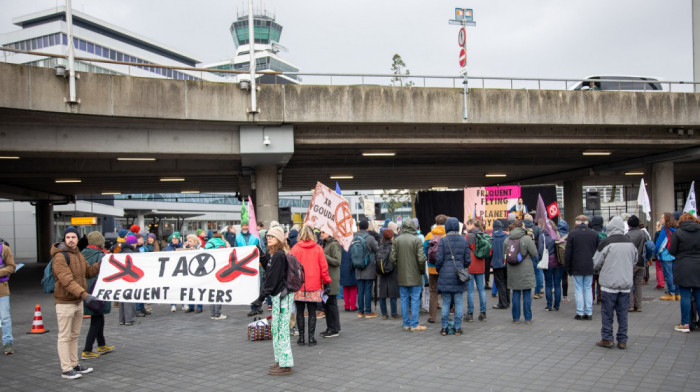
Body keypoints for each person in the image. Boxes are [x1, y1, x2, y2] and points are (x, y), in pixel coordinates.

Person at [52, 226, 102, 379]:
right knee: (64, 336)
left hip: (77, 301)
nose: (71, 240)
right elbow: (67, 280)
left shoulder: (78, 254)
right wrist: (85, 295)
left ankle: (74, 364)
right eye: (68, 237)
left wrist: (102, 263)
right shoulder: (60, 257)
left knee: (74, 335)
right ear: (64, 239)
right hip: (65, 302)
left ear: (78, 239)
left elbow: (88, 272)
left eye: (73, 237)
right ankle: (66, 369)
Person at [251, 225, 294, 375]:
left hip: (281, 297)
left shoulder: (279, 255)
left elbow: (272, 279)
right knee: (276, 330)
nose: (268, 238)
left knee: (281, 331)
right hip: (281, 297)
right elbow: (271, 272)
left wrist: (260, 298)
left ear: (279, 239)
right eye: (268, 236)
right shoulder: (278, 254)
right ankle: (280, 360)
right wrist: (263, 257)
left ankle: (286, 364)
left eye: (272, 236)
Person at [593, 216, 637, 349]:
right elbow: (635, 260)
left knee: (607, 313)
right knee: (623, 314)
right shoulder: (630, 242)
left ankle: (607, 338)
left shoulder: (606, 242)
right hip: (625, 284)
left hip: (609, 284)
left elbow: (596, 262)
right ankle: (622, 340)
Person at [290, 225, 331, 346]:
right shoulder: (318, 248)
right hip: (314, 285)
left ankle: (301, 338)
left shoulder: (295, 249)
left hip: (299, 285)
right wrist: (327, 282)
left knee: (300, 312)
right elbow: (324, 268)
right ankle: (311, 338)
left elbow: (290, 268)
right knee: (312, 312)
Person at [81, 232, 114, 359]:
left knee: (98, 317)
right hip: (97, 291)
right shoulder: (102, 256)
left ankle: (101, 344)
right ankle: (87, 349)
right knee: (96, 320)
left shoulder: (82, 254)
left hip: (86, 290)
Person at [390, 219, 428, 332]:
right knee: (415, 299)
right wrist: (421, 271)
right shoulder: (417, 240)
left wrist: (399, 266)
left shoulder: (397, 240)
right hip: (415, 274)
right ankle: (414, 324)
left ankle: (406, 323)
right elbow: (421, 259)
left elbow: (392, 258)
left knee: (404, 299)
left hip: (402, 274)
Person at [435, 217, 470, 335]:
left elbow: (438, 259)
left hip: (445, 274)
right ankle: (458, 328)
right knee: (459, 301)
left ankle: (444, 327)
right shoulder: (463, 240)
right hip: (459, 275)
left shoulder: (443, 241)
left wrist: (440, 270)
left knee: (446, 301)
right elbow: (468, 260)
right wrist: (462, 268)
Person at [669, 213, 700, 333]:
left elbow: (672, 250)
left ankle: (685, 323)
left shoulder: (679, 232)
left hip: (683, 265)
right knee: (699, 294)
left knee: (685, 296)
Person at [565, 215, 599, 320]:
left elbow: (568, 253)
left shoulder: (572, 234)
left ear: (576, 222)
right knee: (588, 288)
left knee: (578, 289)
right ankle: (589, 312)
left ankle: (580, 312)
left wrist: (568, 268)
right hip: (590, 265)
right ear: (587, 222)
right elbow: (598, 251)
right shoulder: (594, 234)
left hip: (577, 265)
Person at [505, 220, 538, 324]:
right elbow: (534, 253)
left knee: (515, 293)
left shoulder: (507, 240)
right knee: (527, 294)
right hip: (526, 270)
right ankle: (528, 318)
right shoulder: (526, 239)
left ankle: (515, 318)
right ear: (522, 227)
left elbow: (504, 256)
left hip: (512, 270)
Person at [423, 214, 447, 324]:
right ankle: (446, 315)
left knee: (433, 291)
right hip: (444, 268)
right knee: (446, 292)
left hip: (432, 268)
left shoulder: (429, 235)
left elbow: (424, 250)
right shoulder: (447, 235)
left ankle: (432, 317)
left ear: (435, 223)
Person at [354, 220, 379, 318]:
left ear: (359, 227)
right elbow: (377, 250)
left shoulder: (354, 237)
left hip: (358, 267)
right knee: (368, 289)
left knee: (360, 290)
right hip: (368, 267)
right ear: (368, 228)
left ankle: (360, 311)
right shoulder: (370, 238)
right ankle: (368, 312)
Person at [320, 229, 342, 337]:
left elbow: (337, 261)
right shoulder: (324, 244)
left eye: (323, 232)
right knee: (327, 304)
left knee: (331, 303)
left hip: (331, 278)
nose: (321, 234)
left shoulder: (334, 244)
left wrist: (324, 256)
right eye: (321, 232)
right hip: (325, 278)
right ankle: (330, 327)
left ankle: (334, 329)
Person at [539, 220, 563, 311]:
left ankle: (549, 305)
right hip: (558, 261)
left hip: (547, 261)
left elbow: (540, 250)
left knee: (548, 284)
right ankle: (557, 305)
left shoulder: (542, 236)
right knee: (557, 284)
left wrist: (541, 259)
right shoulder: (557, 235)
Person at [465, 218, 487, 322]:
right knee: (481, 290)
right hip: (481, 265)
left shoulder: (468, 236)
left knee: (470, 291)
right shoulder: (483, 235)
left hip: (470, 265)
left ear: (472, 225)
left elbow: (464, 251)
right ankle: (483, 313)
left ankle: (470, 314)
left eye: (468, 224)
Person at [377, 228, 400, 319]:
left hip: (382, 272)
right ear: (392, 237)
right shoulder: (393, 247)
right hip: (392, 272)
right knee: (392, 293)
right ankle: (394, 313)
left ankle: (384, 313)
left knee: (382, 294)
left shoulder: (380, 247)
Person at [626, 216, 647, 312]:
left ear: (628, 224)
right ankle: (639, 306)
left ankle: (630, 305)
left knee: (629, 284)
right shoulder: (643, 233)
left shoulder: (627, 235)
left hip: (631, 262)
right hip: (641, 261)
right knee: (638, 284)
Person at [657, 212, 679, 301]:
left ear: (666, 220)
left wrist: (657, 252)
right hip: (675, 255)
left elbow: (660, 245)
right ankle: (678, 293)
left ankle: (671, 293)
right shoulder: (675, 229)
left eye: (662, 218)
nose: (660, 219)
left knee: (668, 275)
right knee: (675, 274)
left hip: (666, 255)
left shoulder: (664, 230)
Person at [0, 239, 16, 355]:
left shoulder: (4, 249)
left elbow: (11, 267)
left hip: (2, 289)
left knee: (5, 317)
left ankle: (7, 343)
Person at [118, 235, 139, 324]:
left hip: (121, 279)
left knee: (121, 299)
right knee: (130, 298)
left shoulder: (119, 253)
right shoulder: (133, 253)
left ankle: (122, 319)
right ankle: (130, 319)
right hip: (130, 278)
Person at [491, 220, 510, 309]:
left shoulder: (491, 237)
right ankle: (507, 301)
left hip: (496, 263)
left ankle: (502, 303)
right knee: (506, 282)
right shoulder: (507, 236)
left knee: (500, 283)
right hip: (506, 263)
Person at [589, 216, 607, 304]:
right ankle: (600, 297)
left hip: (591, 261)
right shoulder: (605, 236)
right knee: (600, 282)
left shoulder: (590, 234)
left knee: (591, 282)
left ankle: (591, 297)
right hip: (602, 262)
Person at [340, 246, 357, 311]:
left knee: (345, 288)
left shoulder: (342, 246)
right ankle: (353, 306)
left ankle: (347, 306)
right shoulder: (353, 246)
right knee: (353, 288)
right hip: (351, 268)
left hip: (343, 268)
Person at [557, 220, 571, 302]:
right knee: (565, 279)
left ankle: (557, 296)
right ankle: (565, 296)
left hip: (558, 259)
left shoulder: (556, 235)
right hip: (565, 260)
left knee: (557, 279)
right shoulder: (569, 236)